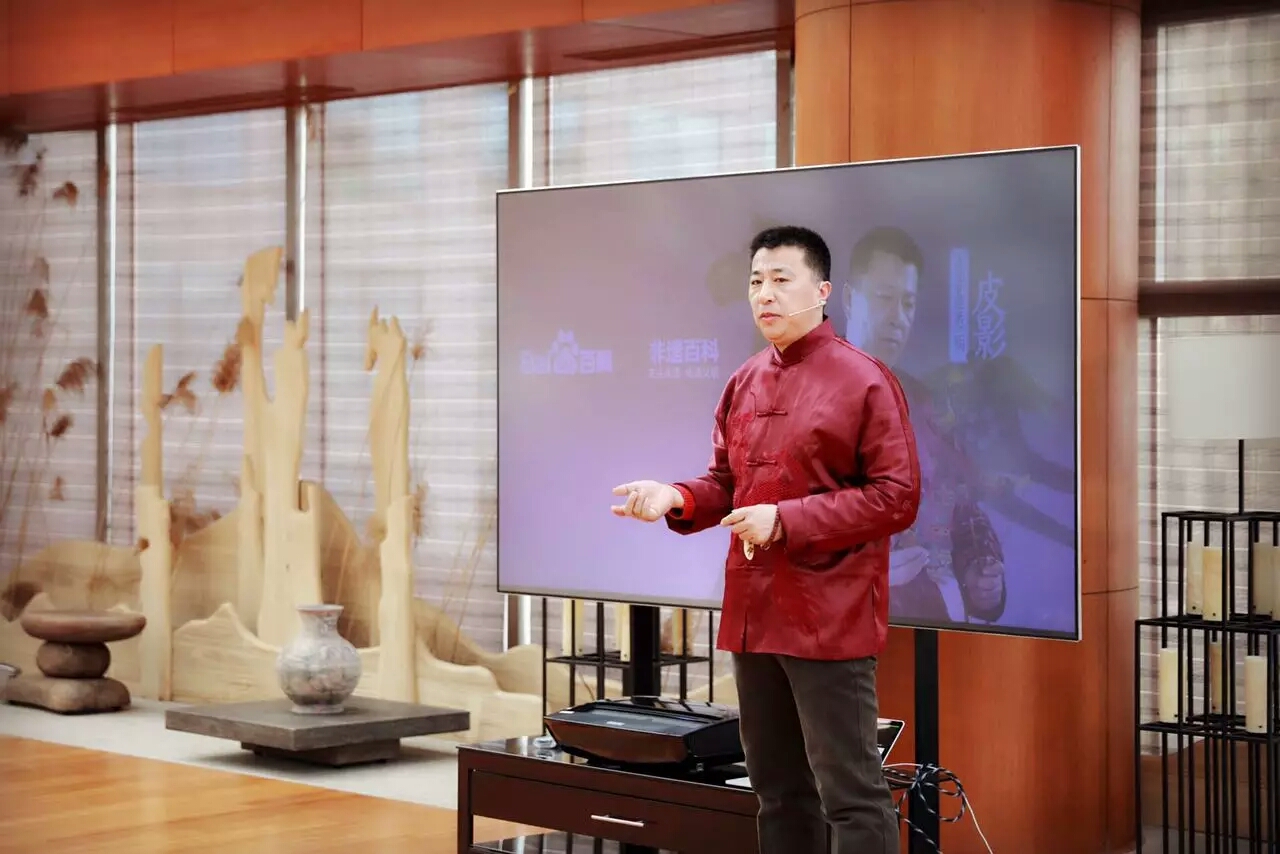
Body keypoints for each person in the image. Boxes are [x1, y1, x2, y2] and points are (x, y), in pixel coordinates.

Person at [611, 225, 920, 854]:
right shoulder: (744, 381)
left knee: (852, 795)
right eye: (756, 281)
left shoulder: (865, 380)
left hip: (830, 617)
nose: (764, 294)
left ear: (823, 291)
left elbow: (897, 495)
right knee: (777, 791)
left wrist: (785, 519)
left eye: (781, 279)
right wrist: (676, 496)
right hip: (754, 613)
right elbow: (728, 483)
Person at [840, 226, 1007, 624]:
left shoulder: (925, 403)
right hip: (834, 632)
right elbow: (771, 525)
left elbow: (960, 504)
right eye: (884, 298)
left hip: (928, 626)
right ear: (848, 299)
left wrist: (978, 572)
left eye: (908, 303)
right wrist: (859, 570)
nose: (897, 318)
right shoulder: (798, 394)